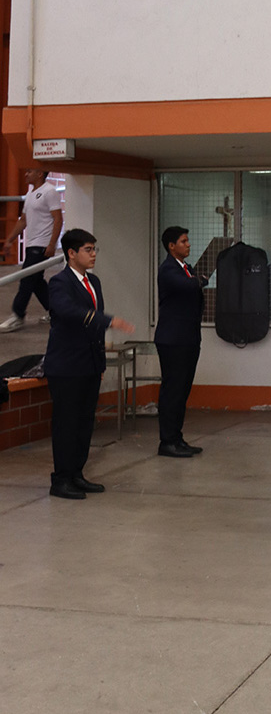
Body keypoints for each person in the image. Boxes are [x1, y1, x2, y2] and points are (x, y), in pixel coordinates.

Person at [43, 227, 134, 499]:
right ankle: (61, 479)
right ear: (71, 253)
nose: (93, 254)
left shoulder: (94, 282)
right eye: (88, 249)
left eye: (95, 249)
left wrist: (100, 361)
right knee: (66, 423)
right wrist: (108, 320)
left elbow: (93, 325)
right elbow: (68, 311)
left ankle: (76, 474)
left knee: (84, 422)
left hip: (90, 363)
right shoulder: (59, 282)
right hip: (67, 365)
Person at [155, 225, 211, 458]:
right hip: (173, 339)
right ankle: (167, 441)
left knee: (182, 391)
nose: (188, 245)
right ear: (171, 246)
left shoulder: (186, 268)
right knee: (173, 391)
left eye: (188, 241)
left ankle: (177, 438)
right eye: (183, 241)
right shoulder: (168, 269)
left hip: (188, 337)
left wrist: (199, 280)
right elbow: (189, 285)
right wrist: (200, 281)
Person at [0, 169, 63, 331]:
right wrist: (9, 240)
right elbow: (23, 220)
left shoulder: (49, 192)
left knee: (27, 279)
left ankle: (18, 315)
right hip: (32, 243)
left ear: (40, 174)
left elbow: (58, 219)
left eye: (30, 172)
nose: (26, 174)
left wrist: (51, 244)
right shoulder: (30, 194)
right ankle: (56, 312)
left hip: (42, 244)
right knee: (36, 281)